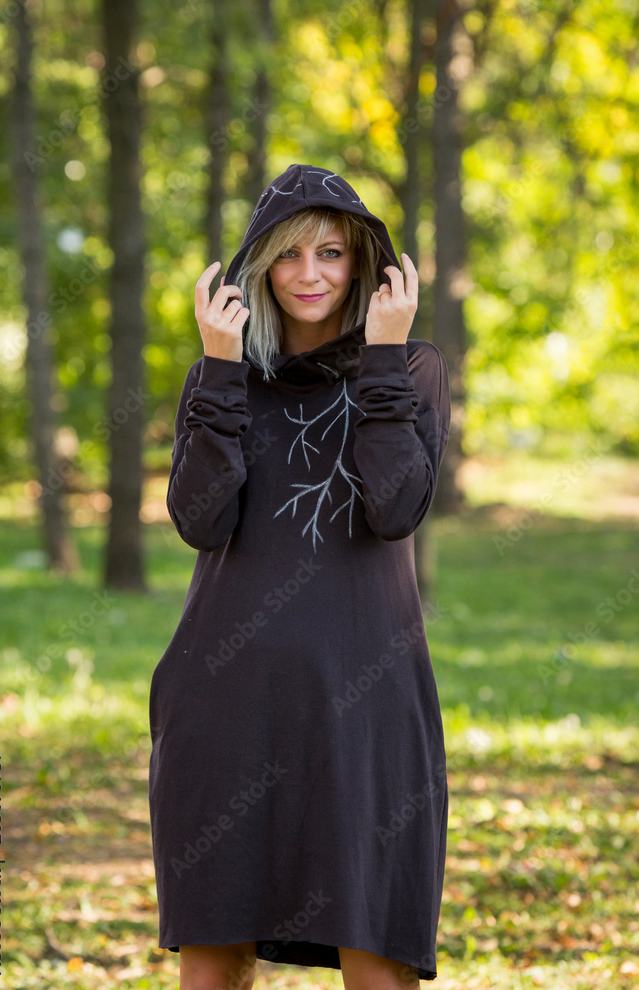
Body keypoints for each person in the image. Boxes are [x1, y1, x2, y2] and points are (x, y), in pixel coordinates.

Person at [148, 163, 451, 990]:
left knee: (375, 950)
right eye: (287, 254)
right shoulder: (217, 374)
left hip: (366, 701)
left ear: (363, 264)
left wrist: (381, 355)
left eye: (330, 252)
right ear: (258, 265)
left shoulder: (410, 367)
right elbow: (200, 521)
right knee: (212, 959)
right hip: (224, 700)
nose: (308, 274)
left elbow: (395, 508)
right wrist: (219, 368)